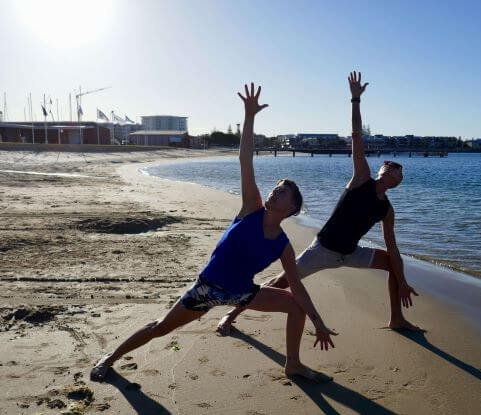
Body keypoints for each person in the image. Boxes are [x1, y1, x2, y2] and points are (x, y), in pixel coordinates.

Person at [90, 83, 336, 383]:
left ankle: (293, 364)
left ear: (292, 207)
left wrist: (318, 322)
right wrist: (249, 116)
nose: (275, 192)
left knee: (296, 306)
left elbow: (297, 286)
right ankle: (110, 358)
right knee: (160, 328)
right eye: (276, 188)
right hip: (207, 288)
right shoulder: (251, 207)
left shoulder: (283, 245)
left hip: (240, 291)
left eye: (283, 192)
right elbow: (246, 160)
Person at [218, 72, 421, 336]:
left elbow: (392, 248)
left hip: (351, 253)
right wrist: (356, 100)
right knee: (281, 282)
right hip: (323, 249)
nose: (388, 166)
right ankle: (230, 315)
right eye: (386, 164)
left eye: (396, 168)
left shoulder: (386, 209)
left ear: (398, 181)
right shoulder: (361, 178)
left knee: (393, 263)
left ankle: (397, 319)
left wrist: (403, 281)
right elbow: (357, 136)